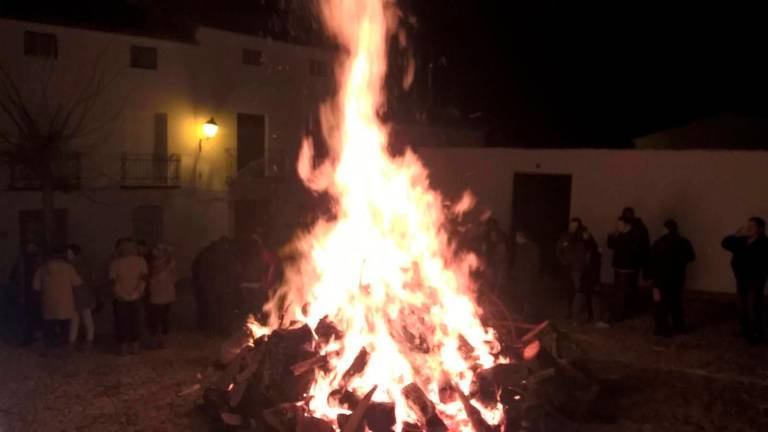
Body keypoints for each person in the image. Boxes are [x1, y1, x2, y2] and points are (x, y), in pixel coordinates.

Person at [722, 217, 768, 343]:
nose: (748, 228)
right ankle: (745, 330)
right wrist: (736, 235)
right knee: (742, 305)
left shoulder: (764, 243)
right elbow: (725, 243)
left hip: (755, 280)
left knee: (753, 305)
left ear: (760, 229)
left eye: (752, 226)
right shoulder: (742, 241)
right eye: (748, 225)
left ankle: (757, 333)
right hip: (741, 279)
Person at [647, 219, 695, 336]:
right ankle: (679, 326)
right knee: (676, 302)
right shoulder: (684, 241)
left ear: (665, 229)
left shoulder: (660, 242)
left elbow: (651, 260)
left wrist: (651, 277)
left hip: (661, 278)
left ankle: (663, 328)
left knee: (659, 304)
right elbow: (691, 257)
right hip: (678, 277)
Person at [33, 248, 82, 351]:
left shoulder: (43, 268)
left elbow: (35, 286)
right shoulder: (68, 267)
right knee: (65, 324)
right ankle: (63, 347)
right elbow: (77, 282)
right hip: (65, 301)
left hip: (49, 301)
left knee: (49, 325)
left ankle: (49, 346)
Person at [109, 239, 148, 355]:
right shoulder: (141, 261)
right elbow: (144, 278)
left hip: (122, 297)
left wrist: (123, 294)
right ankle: (133, 348)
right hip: (132, 296)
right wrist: (137, 292)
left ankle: (124, 348)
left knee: (123, 322)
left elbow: (113, 281)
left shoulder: (115, 263)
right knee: (134, 322)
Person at [607, 216, 643, 321]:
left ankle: (617, 315)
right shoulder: (624, 235)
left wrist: (613, 237)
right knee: (621, 291)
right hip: (621, 267)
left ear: (627, 225)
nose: (618, 226)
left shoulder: (632, 236)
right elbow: (612, 245)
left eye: (620, 224)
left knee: (621, 292)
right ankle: (620, 313)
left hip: (625, 268)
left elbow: (619, 247)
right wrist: (612, 236)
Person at [556, 218, 592, 320]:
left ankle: (578, 313)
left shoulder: (582, 238)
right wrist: (563, 261)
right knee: (569, 290)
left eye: (575, 226)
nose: (573, 228)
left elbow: (589, 248)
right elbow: (558, 250)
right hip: (568, 268)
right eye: (572, 226)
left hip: (578, 269)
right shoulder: (565, 236)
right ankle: (571, 312)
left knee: (579, 290)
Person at [9, 241, 43, 345]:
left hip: (34, 293)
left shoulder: (37, 261)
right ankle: (28, 337)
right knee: (28, 315)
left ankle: (33, 336)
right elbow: (14, 276)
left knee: (34, 315)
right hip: (27, 292)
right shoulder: (23, 261)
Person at [67, 244, 97, 350]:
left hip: (80, 294)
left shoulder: (74, 265)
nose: (68, 255)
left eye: (70, 253)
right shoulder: (81, 264)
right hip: (80, 294)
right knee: (82, 319)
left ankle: (76, 342)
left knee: (83, 319)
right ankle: (85, 341)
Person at [146, 244, 177, 349]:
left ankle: (162, 340)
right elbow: (153, 279)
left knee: (164, 318)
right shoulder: (151, 266)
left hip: (167, 295)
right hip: (155, 296)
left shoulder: (170, 265)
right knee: (154, 318)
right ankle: (154, 340)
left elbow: (174, 279)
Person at [510, 230, 539, 319]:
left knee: (525, 295)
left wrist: (530, 273)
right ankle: (520, 314)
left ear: (522, 237)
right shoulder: (521, 247)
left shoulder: (530, 248)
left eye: (518, 237)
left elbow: (534, 263)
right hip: (520, 275)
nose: (516, 239)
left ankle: (526, 315)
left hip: (526, 276)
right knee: (520, 295)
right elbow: (518, 262)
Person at [482, 218, 510, 296]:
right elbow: (484, 249)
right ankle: (490, 296)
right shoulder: (487, 236)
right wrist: (485, 261)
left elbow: (503, 251)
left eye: (492, 227)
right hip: (491, 263)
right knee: (489, 282)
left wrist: (500, 262)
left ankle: (495, 297)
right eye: (489, 227)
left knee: (497, 284)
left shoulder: (501, 236)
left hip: (498, 264)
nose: (491, 229)